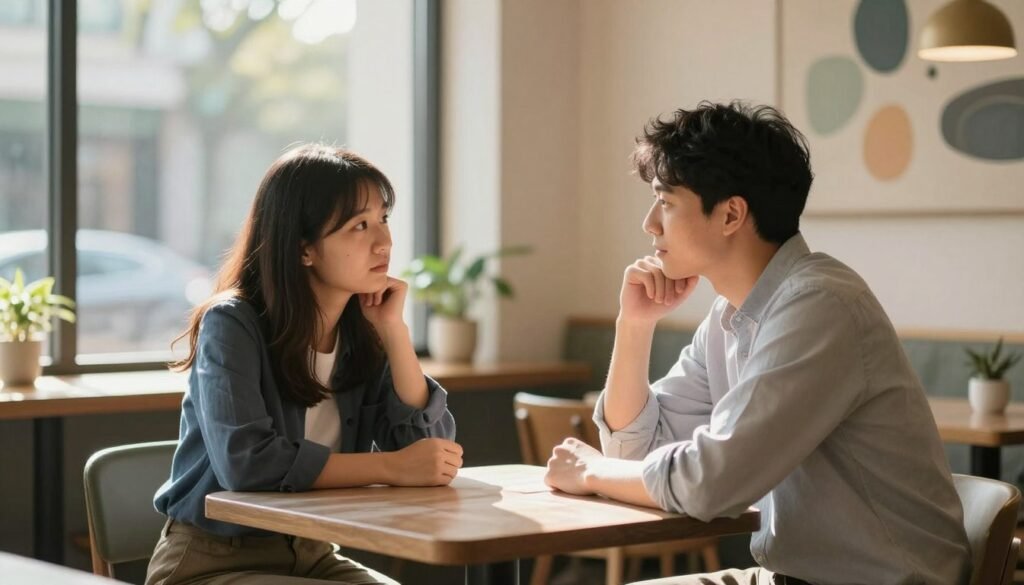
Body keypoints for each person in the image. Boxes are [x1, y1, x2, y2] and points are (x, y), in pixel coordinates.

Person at [544, 102, 970, 585]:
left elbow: (710, 482)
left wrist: (591, 472)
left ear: (730, 214)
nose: (650, 224)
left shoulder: (819, 306)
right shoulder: (730, 316)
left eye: (665, 201)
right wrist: (634, 325)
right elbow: (634, 454)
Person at [146, 144, 461, 585]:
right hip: (213, 562)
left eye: (383, 220)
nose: (384, 241)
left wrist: (394, 332)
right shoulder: (232, 323)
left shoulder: (362, 332)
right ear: (303, 249)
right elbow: (248, 463)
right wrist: (390, 467)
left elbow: (430, 454)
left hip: (311, 553)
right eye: (359, 225)